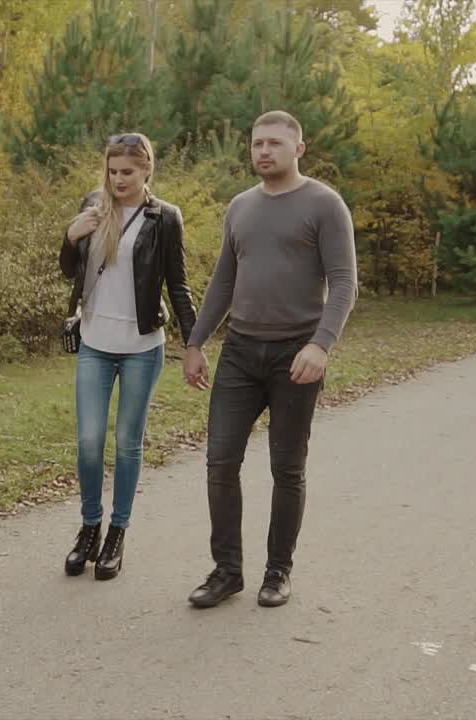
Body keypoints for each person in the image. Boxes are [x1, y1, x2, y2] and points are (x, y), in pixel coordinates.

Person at [182, 110, 357, 608]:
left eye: (275, 143)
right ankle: (227, 572)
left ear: (298, 149)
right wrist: (195, 342)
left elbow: (344, 281)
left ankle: (278, 571)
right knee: (220, 462)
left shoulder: (324, 204)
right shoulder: (240, 207)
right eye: (257, 143)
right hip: (240, 352)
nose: (264, 151)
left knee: (287, 467)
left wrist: (321, 345)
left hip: (295, 353)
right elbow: (223, 282)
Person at [59, 132, 197, 581]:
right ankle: (89, 528)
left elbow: (178, 284)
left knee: (127, 442)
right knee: (89, 442)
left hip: (141, 347)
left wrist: (193, 344)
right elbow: (70, 270)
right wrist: (70, 236)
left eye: (128, 172)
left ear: (147, 170)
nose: (119, 180)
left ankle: (117, 533)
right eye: (113, 171)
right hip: (95, 344)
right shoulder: (93, 206)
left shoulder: (165, 218)